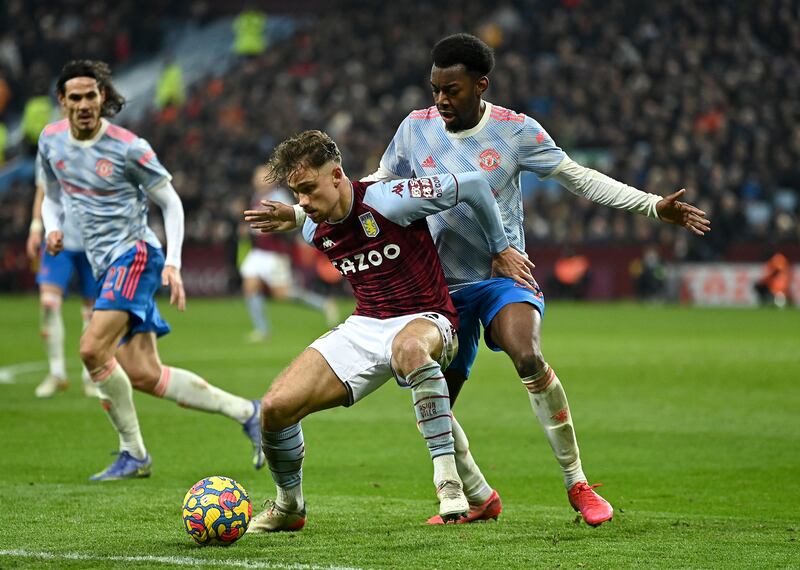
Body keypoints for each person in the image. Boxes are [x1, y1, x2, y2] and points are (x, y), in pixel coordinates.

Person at [364, 33, 711, 526]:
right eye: (435, 88)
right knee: (439, 397)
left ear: (481, 85)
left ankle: (579, 484)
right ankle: (480, 496)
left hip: (504, 274)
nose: (441, 99)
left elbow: (579, 176)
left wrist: (652, 206)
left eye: (453, 89)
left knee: (527, 355)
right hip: (439, 290)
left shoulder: (515, 131)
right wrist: (305, 212)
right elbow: (377, 185)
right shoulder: (415, 129)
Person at [242, 130, 534, 532]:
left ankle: (448, 481)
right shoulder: (312, 227)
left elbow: (474, 184)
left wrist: (501, 249)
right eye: (297, 193)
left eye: (308, 190)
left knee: (410, 349)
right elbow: (312, 213)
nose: (303, 202)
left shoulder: (390, 198)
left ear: (337, 175)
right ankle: (289, 505)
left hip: (430, 317)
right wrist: (295, 215)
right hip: (366, 325)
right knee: (274, 408)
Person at [39, 60, 265, 480]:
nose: (85, 104)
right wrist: (52, 228)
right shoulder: (51, 142)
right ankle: (249, 412)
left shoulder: (129, 147)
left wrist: (175, 263)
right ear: (62, 102)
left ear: (102, 98)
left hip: (137, 254)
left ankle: (134, 453)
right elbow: (51, 197)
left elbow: (171, 202)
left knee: (91, 350)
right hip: (106, 265)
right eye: (76, 97)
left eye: (92, 95)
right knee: (143, 372)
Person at [240, 165, 338, 342]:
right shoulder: (257, 197)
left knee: (282, 294)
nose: (258, 179)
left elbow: (293, 220)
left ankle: (323, 303)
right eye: (257, 176)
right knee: (250, 286)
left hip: (275, 253)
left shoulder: (279, 197)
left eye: (262, 176)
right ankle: (262, 330)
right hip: (259, 252)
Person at [27, 154, 98, 398]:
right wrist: (36, 226)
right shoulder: (51, 144)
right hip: (58, 239)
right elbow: (43, 189)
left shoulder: (104, 143)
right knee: (48, 303)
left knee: (93, 311)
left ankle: (90, 377)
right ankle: (56, 373)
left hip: (94, 241)